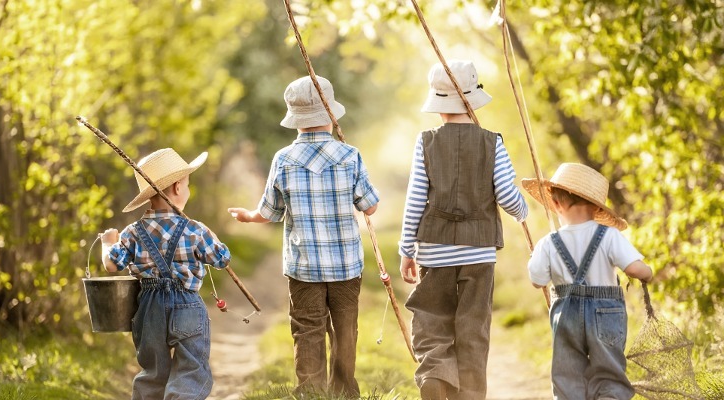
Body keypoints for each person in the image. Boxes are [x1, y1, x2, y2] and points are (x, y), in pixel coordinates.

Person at [227, 75, 380, 398]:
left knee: (308, 329)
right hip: (345, 266)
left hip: (303, 267)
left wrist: (247, 216)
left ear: (295, 119)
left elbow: (268, 213)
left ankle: (311, 392)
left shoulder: (284, 160)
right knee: (345, 330)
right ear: (332, 115)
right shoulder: (349, 155)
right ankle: (344, 391)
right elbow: (371, 207)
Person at [398, 59, 529, 400]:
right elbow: (506, 194)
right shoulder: (492, 142)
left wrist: (406, 250)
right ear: (472, 101)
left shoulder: (425, 142)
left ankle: (435, 376)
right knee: (473, 329)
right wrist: (523, 211)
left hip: (434, 251)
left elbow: (414, 200)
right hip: (479, 255)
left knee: (431, 320)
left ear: (438, 105)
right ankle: (470, 395)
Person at [100, 148, 231, 400]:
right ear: (178, 188)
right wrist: (212, 236)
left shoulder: (133, 232)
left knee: (153, 373)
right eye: (188, 185)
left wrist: (108, 242)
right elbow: (222, 259)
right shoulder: (195, 230)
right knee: (190, 371)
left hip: (149, 307)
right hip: (188, 306)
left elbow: (111, 265)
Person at [523, 163, 653, 400]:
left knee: (568, 376)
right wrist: (648, 272)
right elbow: (634, 269)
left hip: (566, 318)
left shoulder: (548, 243)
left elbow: (537, 279)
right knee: (610, 374)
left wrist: (535, 258)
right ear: (597, 207)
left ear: (555, 204)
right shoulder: (609, 235)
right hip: (605, 315)